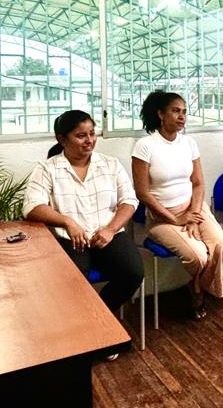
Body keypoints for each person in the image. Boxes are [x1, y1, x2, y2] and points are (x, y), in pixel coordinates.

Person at [23, 110, 143, 322]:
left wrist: (111, 229)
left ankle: (100, 320)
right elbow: (32, 206)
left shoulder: (110, 164)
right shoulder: (48, 168)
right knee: (72, 284)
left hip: (108, 236)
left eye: (92, 134)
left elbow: (129, 200)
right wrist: (67, 221)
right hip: (69, 240)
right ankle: (82, 327)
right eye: (81, 136)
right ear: (62, 139)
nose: (89, 140)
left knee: (132, 273)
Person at [131, 90, 223, 319]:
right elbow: (142, 193)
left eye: (184, 111)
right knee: (198, 256)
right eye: (176, 111)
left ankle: (195, 285)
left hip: (194, 208)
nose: (182, 116)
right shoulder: (145, 146)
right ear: (161, 114)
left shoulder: (189, 143)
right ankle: (198, 292)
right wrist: (176, 219)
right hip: (162, 216)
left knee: (220, 245)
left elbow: (198, 183)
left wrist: (193, 216)